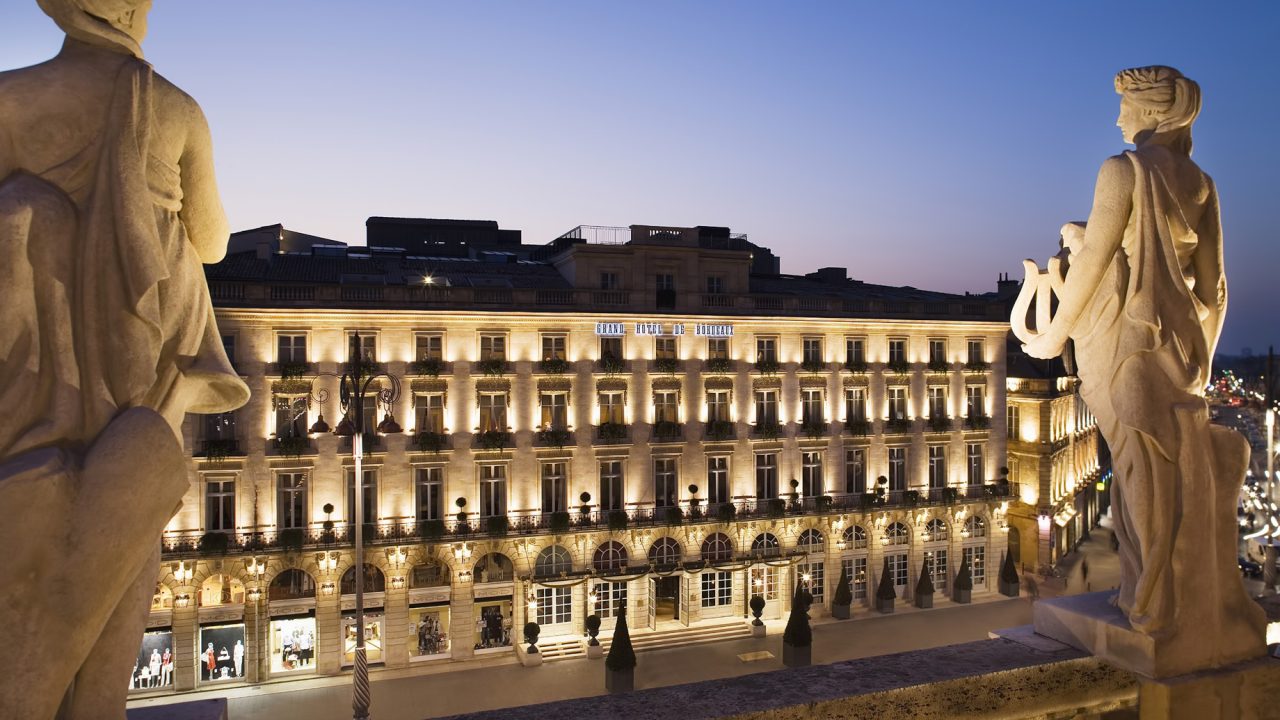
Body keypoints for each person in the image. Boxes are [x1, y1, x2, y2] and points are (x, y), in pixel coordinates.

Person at [1018, 66, 1264, 657]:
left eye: (1126, 106)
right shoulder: (1202, 184)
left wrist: (1054, 335)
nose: (1118, 118)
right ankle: (1163, 597)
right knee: (1165, 467)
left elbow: (1096, 259)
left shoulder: (1122, 170)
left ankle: (1151, 601)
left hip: (1127, 344)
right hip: (1180, 349)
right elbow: (1216, 287)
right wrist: (1201, 358)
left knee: (1138, 469)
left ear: (1153, 111)